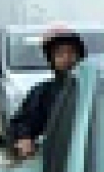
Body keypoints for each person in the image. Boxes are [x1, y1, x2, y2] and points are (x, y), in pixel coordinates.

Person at [8, 28, 86, 159]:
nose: (67, 59)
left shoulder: (93, 90)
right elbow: (21, 123)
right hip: (59, 160)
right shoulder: (42, 93)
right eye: (60, 54)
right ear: (51, 60)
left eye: (71, 52)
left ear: (80, 56)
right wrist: (24, 139)